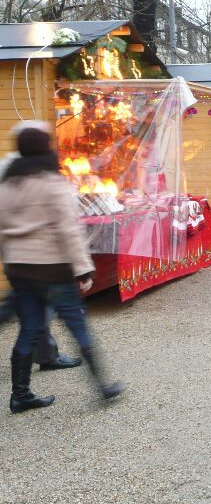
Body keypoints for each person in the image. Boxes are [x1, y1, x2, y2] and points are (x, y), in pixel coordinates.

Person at [0, 122, 124, 414]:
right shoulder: (52, 183)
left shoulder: (7, 184)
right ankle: (103, 386)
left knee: (29, 328)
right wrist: (83, 269)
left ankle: (21, 394)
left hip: (19, 267)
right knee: (77, 325)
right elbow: (69, 230)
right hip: (53, 268)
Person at [0, 146, 82, 372]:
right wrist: (82, 267)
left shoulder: (13, 170)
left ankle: (44, 359)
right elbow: (65, 227)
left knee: (27, 317)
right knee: (32, 320)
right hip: (38, 263)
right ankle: (45, 359)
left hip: (19, 262)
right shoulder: (30, 174)